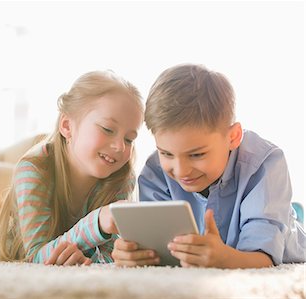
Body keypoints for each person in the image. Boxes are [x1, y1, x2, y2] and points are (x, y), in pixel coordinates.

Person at [112, 63, 306, 268]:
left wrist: (226, 259)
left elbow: (263, 258)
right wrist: (135, 254)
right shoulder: (155, 170)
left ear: (233, 136)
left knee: (279, 218)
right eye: (166, 153)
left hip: (282, 236)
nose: (180, 170)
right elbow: (159, 251)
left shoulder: (265, 163)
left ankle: (293, 213)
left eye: (196, 154)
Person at [0, 70, 144, 265]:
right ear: (67, 126)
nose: (120, 147)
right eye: (107, 129)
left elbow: (108, 258)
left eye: (129, 139)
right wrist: (97, 222)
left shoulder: (121, 176)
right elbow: (35, 257)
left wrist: (92, 258)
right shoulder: (35, 169)